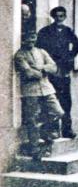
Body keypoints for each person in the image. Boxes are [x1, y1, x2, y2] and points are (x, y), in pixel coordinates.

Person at [14, 31, 65, 159]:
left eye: (33, 38)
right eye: (28, 39)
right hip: (30, 91)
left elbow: (53, 68)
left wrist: (40, 67)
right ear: (23, 40)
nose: (31, 41)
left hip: (47, 89)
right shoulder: (20, 55)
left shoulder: (41, 52)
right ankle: (35, 148)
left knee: (59, 112)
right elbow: (29, 74)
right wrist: (41, 70)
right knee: (32, 120)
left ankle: (44, 132)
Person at [36, 6, 78, 139]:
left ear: (65, 17)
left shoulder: (68, 31)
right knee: (51, 100)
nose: (59, 19)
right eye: (56, 16)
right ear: (53, 17)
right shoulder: (45, 31)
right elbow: (39, 48)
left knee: (66, 101)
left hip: (63, 70)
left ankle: (67, 129)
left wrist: (70, 56)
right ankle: (52, 130)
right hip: (51, 70)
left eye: (62, 16)